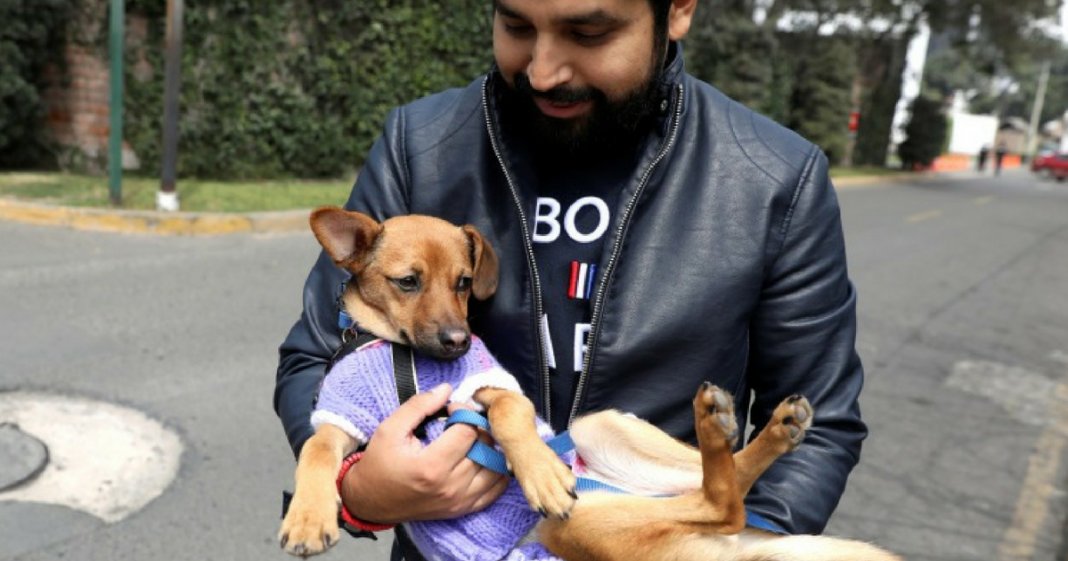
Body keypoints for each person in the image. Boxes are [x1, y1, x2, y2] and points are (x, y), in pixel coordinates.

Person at [274, 1, 868, 559]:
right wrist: (360, 491)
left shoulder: (774, 180)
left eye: (588, 33)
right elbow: (318, 356)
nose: (542, 71)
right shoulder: (420, 146)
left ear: (679, 8)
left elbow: (821, 421)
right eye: (516, 27)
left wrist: (713, 547)